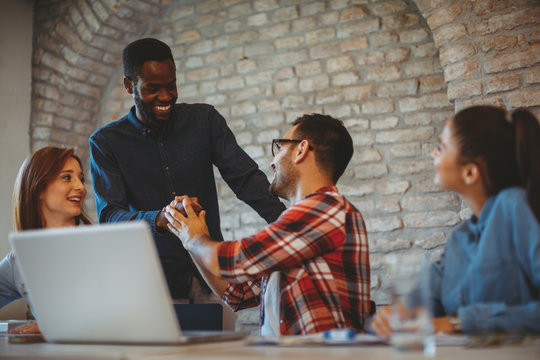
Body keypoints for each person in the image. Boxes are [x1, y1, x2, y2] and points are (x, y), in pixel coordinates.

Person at [89, 38, 285, 302]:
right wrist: (161, 218)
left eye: (171, 86)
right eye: (153, 88)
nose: (166, 97)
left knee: (221, 344)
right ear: (129, 85)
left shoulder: (204, 120)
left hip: (212, 272)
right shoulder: (106, 143)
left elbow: (246, 179)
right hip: (150, 282)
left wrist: (287, 226)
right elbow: (111, 216)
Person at [164, 114, 371, 335]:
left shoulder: (326, 209)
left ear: (301, 150)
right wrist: (191, 233)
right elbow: (237, 293)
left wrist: (194, 238)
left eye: (279, 148)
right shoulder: (302, 225)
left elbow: (234, 261)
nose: (272, 161)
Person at [370, 105, 540, 336]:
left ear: (470, 172)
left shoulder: (514, 205)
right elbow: (417, 303)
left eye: (441, 147)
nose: (433, 153)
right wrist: (394, 317)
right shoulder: (460, 238)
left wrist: (457, 322)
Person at [0, 146, 91, 334]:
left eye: (81, 179)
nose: (80, 187)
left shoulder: (103, 246)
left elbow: (124, 312)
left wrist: (53, 326)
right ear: (38, 188)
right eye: (67, 177)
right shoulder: (18, 261)